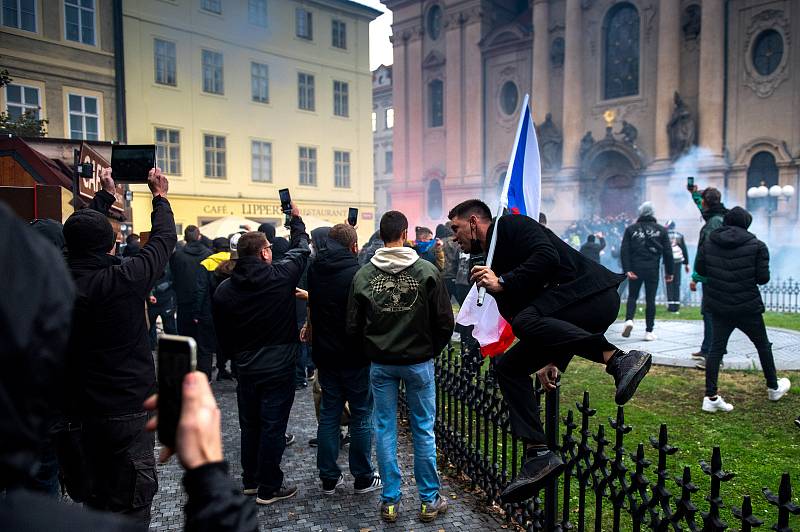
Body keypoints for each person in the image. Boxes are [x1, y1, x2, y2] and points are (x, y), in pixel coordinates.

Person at [447, 199, 652, 505]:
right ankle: (537, 454)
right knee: (509, 367)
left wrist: (503, 282)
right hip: (571, 308)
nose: (453, 236)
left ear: (474, 221)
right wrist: (554, 358)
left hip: (592, 293)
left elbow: (547, 256)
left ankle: (619, 359)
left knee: (526, 321)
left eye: (456, 228)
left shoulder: (511, 225)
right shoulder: (492, 260)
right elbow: (539, 316)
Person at [63, 168, 176, 529]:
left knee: (94, 499)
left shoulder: (51, 278)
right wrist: (159, 197)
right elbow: (162, 240)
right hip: (126, 407)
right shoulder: (123, 279)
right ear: (109, 245)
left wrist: (103, 200)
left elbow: (78, 240)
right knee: (132, 502)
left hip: (77, 410)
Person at [347, 211, 454, 524]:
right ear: (405, 234)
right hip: (418, 361)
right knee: (423, 429)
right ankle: (429, 499)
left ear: (381, 236)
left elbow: (353, 326)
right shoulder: (427, 271)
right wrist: (428, 349)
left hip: (381, 363)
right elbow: (445, 322)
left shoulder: (364, 275)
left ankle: (390, 501)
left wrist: (371, 349)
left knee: (384, 428)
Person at [212, 205, 310, 505]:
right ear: (265, 253)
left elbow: (222, 334)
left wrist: (234, 358)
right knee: (273, 426)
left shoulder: (225, 290)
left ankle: (251, 480)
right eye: (268, 247)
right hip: (279, 365)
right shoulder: (279, 275)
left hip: (246, 366)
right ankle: (269, 486)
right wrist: (295, 219)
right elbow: (301, 249)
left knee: (250, 425)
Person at [306, 223, 382, 495]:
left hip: (326, 354)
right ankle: (362, 477)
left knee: (329, 415)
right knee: (362, 414)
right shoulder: (358, 274)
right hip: (355, 355)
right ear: (353, 247)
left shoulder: (314, 269)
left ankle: (328, 477)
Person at [694, 207, 791, 412]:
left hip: (719, 305)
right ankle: (773, 387)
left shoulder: (710, 241)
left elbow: (701, 270)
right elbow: (762, 278)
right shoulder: (757, 245)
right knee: (763, 346)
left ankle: (710, 397)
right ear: (747, 223)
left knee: (715, 350)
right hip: (748, 306)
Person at [620, 201, 674, 341]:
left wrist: (627, 269)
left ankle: (629, 320)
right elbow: (668, 252)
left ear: (640, 213)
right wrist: (670, 272)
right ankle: (649, 331)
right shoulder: (661, 230)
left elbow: (624, 251)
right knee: (650, 300)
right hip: (652, 270)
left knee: (632, 296)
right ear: (653, 213)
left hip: (635, 269)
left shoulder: (631, 229)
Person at [688, 187, 728, 365]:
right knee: (709, 313)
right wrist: (695, 194)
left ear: (707, 201)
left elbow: (706, 252)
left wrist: (697, 276)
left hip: (712, 276)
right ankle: (707, 348)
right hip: (717, 275)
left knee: (711, 314)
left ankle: (713, 354)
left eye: (702, 200)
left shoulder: (713, 223)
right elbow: (706, 211)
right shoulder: (718, 215)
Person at [170, 225, 211, 363]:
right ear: (199, 236)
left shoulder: (177, 255)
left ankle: (187, 366)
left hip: (184, 302)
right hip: (203, 303)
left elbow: (173, 276)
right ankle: (203, 368)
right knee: (203, 340)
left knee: (185, 337)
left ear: (185, 238)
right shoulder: (208, 254)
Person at [195, 237, 232, 381]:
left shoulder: (206, 264)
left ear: (214, 249)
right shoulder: (235, 262)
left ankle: (206, 376)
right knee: (228, 342)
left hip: (208, 312)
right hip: (230, 311)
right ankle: (225, 370)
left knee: (205, 346)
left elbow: (201, 291)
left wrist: (197, 312)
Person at [147, 262, 178, 351]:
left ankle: (173, 348)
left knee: (170, 327)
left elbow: (176, 277)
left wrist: (168, 284)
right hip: (153, 301)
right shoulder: (150, 261)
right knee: (149, 327)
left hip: (166, 299)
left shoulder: (170, 262)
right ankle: (151, 347)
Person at [665, 220, 690, 313]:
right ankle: (676, 305)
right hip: (678, 262)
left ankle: (671, 306)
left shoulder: (664, 235)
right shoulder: (680, 236)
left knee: (669, 283)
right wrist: (686, 263)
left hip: (668, 262)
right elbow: (684, 249)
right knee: (677, 283)